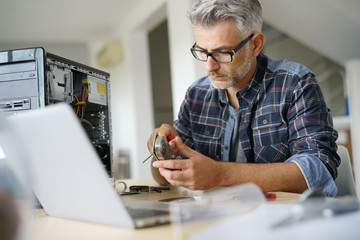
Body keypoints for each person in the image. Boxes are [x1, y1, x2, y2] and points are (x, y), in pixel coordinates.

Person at [147, 0, 339, 197]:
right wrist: (160, 151)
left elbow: (318, 170)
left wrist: (219, 174)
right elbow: (165, 177)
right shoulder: (196, 94)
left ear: (256, 44)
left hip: (286, 221)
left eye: (222, 53)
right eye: (202, 52)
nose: (209, 67)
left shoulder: (295, 83)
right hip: (216, 219)